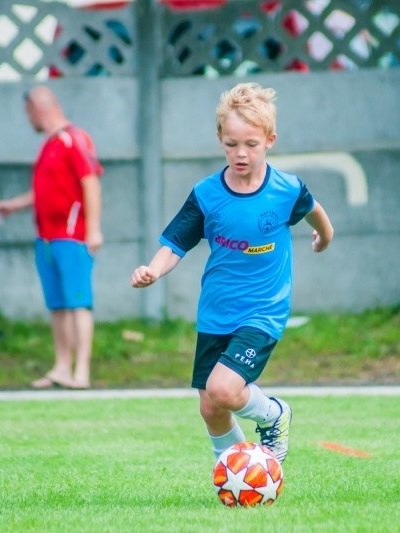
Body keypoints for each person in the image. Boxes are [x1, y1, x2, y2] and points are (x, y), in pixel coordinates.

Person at [130, 82, 333, 464]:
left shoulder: (286, 189)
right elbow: (176, 243)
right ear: (219, 138)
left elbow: (315, 211)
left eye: (251, 144)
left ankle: (274, 414)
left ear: (270, 140)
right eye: (231, 144)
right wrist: (153, 271)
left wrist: (324, 236)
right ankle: (238, 471)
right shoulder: (207, 194)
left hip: (262, 312)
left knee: (223, 389)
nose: (240, 154)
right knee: (211, 407)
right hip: (216, 312)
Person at [0, 86, 103, 390]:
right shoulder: (49, 145)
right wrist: (11, 206)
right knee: (57, 305)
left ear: (35, 108)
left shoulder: (73, 138)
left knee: (79, 303)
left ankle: (81, 371)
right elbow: (44, 192)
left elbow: (90, 181)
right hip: (46, 238)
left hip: (72, 236)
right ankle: (61, 367)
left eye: (27, 113)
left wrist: (93, 228)